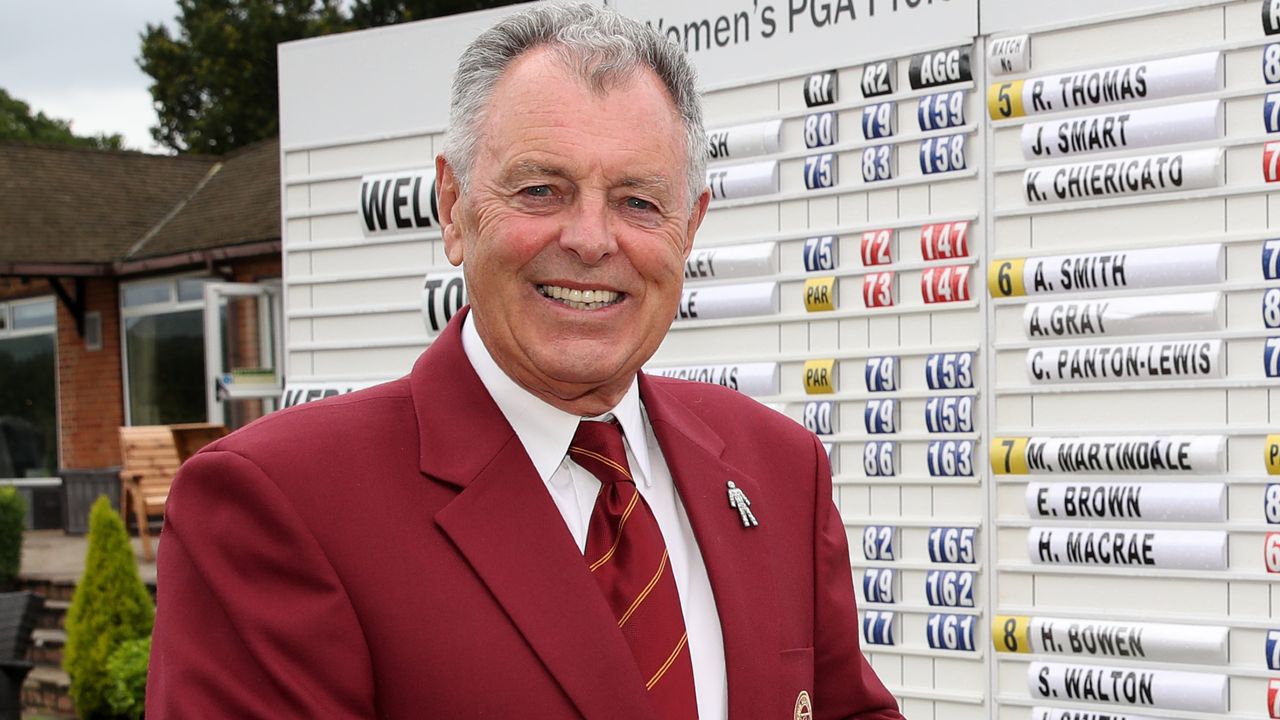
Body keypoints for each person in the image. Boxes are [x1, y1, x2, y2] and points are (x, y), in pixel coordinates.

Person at [147, 4, 904, 719]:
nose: (590, 239)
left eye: (639, 202)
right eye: (542, 189)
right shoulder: (278, 502)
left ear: (690, 227)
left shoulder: (779, 469)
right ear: (453, 208)